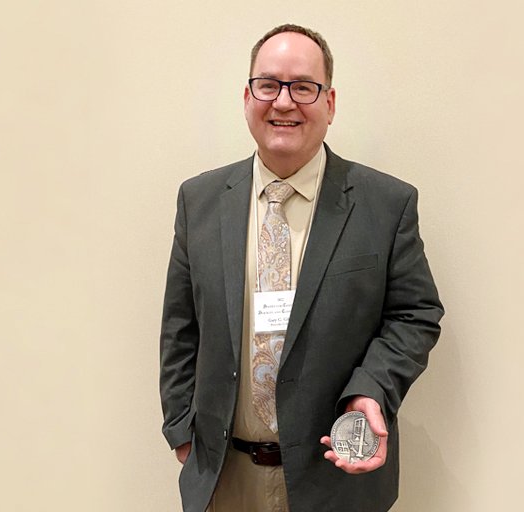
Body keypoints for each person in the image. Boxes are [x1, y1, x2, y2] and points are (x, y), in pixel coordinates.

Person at [159, 24, 443, 512]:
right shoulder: (199, 201)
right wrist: (181, 430)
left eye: (303, 87)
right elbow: (181, 324)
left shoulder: (386, 204)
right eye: (268, 84)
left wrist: (371, 391)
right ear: (247, 97)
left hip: (334, 479)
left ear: (330, 103)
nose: (284, 102)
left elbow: (415, 315)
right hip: (223, 477)